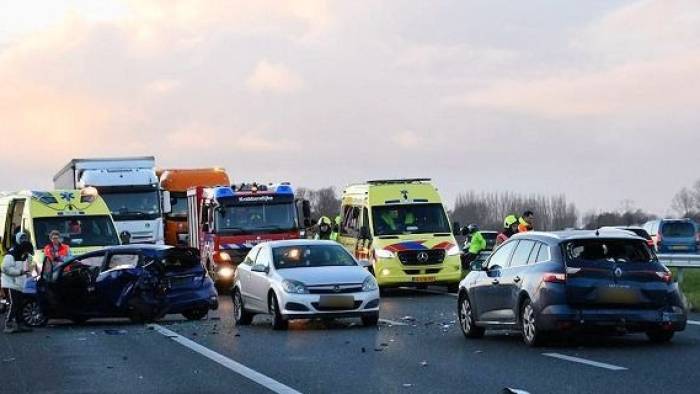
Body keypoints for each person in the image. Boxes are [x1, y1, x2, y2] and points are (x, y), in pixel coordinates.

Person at [2, 233, 35, 333]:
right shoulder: (11, 253)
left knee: (19, 303)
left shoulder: (24, 253)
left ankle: (20, 324)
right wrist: (19, 272)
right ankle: (8, 324)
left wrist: (29, 268)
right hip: (11, 282)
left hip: (20, 281)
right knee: (15, 303)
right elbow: (5, 268)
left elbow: (29, 263)